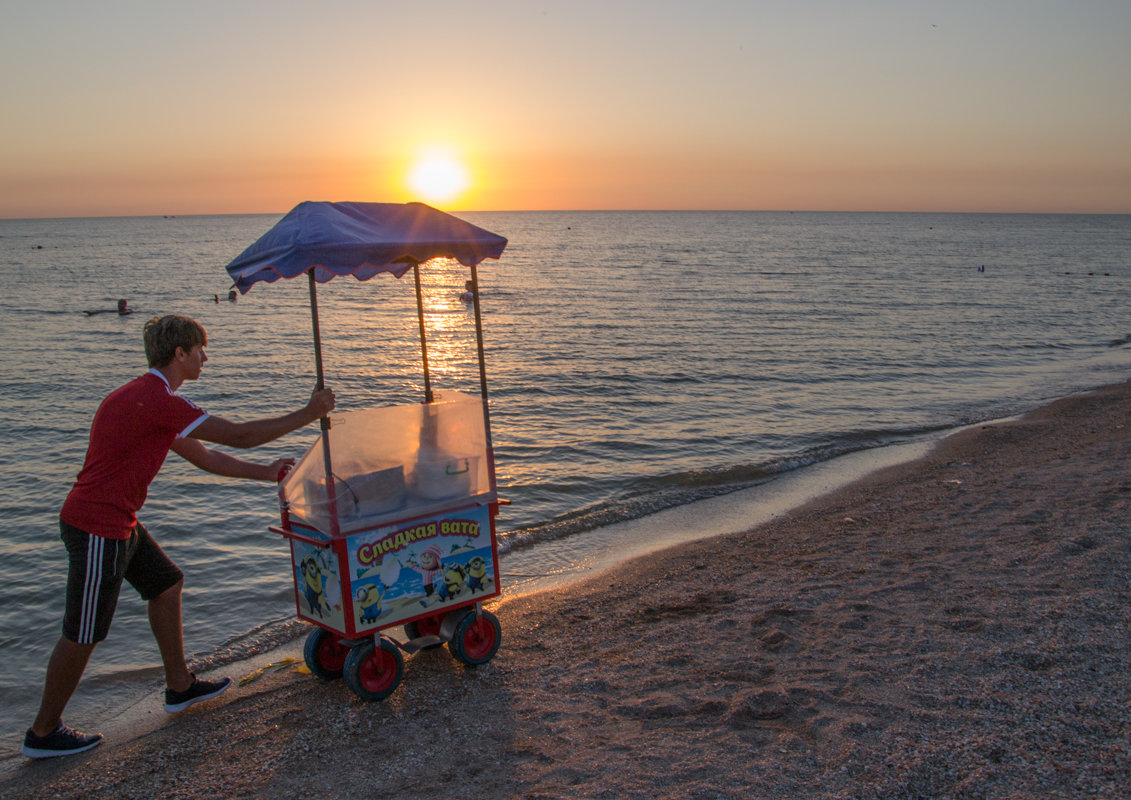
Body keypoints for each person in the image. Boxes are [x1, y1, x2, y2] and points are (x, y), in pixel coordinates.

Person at [21, 314, 336, 759]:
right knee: (84, 631)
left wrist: (266, 473)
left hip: (120, 521)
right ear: (179, 354)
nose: (206, 357)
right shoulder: (154, 399)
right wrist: (309, 413)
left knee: (166, 585)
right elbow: (239, 435)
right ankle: (42, 733)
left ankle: (180, 685)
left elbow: (205, 456)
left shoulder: (148, 399)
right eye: (200, 349)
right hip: (97, 526)